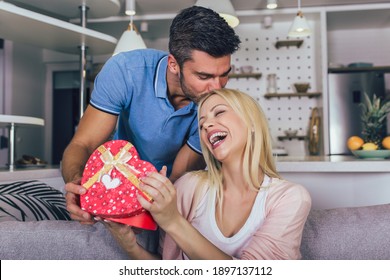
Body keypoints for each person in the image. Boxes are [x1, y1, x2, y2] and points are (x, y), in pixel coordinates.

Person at [62, 5, 241, 229]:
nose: (217, 88)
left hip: (172, 194)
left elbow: (179, 176)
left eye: (224, 75)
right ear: (173, 64)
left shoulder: (213, 108)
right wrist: (77, 184)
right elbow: (83, 143)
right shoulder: (125, 71)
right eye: (204, 76)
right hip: (115, 183)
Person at [103, 88, 312, 260]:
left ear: (252, 123)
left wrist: (173, 221)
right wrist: (131, 247)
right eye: (201, 123)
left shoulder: (290, 198)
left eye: (219, 112)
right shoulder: (188, 187)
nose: (206, 125)